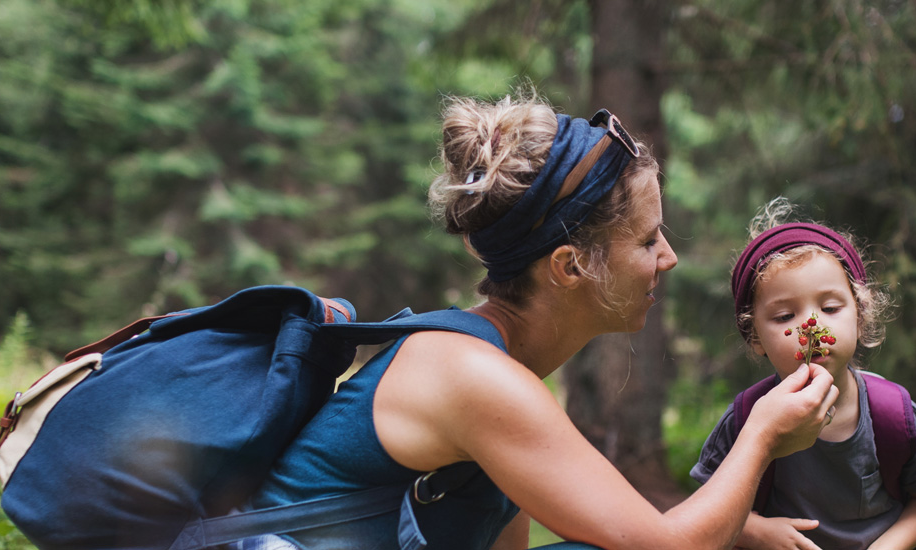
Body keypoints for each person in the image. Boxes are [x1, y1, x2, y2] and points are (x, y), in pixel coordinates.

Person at [238, 91, 840, 550]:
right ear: (570, 266)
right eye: (647, 240)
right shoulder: (473, 376)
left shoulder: (500, 371)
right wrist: (761, 436)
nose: (668, 258)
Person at [690, 200, 916, 550]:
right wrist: (757, 532)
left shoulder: (895, 415)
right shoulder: (745, 420)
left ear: (860, 316)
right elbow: (707, 510)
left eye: (830, 307)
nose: (811, 326)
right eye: (784, 316)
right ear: (755, 337)